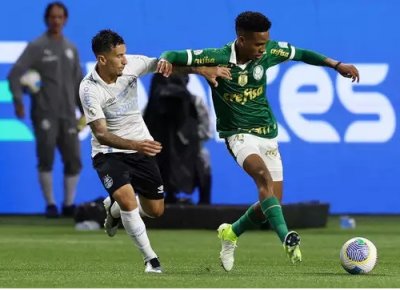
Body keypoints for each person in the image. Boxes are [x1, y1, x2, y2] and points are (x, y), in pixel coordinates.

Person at [160, 11, 360, 271]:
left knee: (271, 202)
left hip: (267, 133)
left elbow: (301, 54)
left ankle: (231, 233)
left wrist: (336, 64)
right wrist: (195, 67)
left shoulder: (270, 52)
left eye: (265, 43)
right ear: (241, 40)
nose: (263, 49)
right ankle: (287, 237)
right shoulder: (217, 57)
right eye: (258, 44)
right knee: (262, 179)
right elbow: (172, 56)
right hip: (238, 134)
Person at [79, 29, 230, 273]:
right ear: (102, 59)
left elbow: (168, 67)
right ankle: (151, 260)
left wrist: (202, 70)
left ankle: (113, 207)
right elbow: (101, 134)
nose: (125, 60)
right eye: (119, 56)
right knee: (129, 200)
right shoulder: (88, 89)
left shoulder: (133, 65)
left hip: (141, 147)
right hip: (108, 152)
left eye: (125, 54)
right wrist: (135, 145)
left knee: (155, 210)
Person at [7, 1, 83, 218]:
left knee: (74, 159)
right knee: (46, 157)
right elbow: (14, 75)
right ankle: (50, 204)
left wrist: (85, 110)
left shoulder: (71, 48)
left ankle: (68, 204)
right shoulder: (37, 46)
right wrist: (19, 101)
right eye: (52, 17)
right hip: (45, 114)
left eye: (60, 17)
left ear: (65, 20)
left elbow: (78, 82)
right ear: (46, 19)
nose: (56, 21)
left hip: (69, 115)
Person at [144, 73, 212, 204]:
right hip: (157, 155)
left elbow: (205, 131)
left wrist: (188, 139)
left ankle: (205, 207)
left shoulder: (195, 102)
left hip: (190, 152)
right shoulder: (151, 107)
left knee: (204, 157)